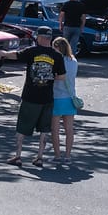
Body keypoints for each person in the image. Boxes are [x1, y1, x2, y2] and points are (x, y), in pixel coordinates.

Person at [10, 25, 63, 168]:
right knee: (44, 129)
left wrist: (2, 53)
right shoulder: (57, 56)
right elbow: (62, 76)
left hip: (30, 96)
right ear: (50, 38)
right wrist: (49, 78)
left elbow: (15, 55)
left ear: (39, 37)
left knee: (22, 127)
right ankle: (39, 157)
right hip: (47, 97)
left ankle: (18, 156)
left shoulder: (32, 51)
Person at [51, 35, 81, 160]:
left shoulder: (57, 61)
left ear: (57, 48)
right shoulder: (73, 61)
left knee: (55, 130)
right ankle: (68, 155)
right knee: (69, 129)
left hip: (57, 97)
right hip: (70, 97)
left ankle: (57, 155)